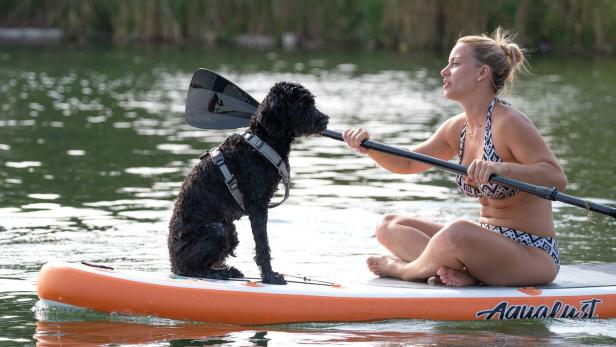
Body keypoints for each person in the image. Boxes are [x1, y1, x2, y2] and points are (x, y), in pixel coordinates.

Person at [342, 27, 567, 287]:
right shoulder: (456, 128)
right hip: (485, 243)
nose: (444, 71)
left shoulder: (509, 123)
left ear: (482, 73)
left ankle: (405, 270)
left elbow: (556, 178)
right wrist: (368, 146)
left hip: (532, 255)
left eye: (455, 63)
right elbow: (407, 162)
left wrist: (502, 169)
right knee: (389, 226)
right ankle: (462, 273)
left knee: (457, 231)